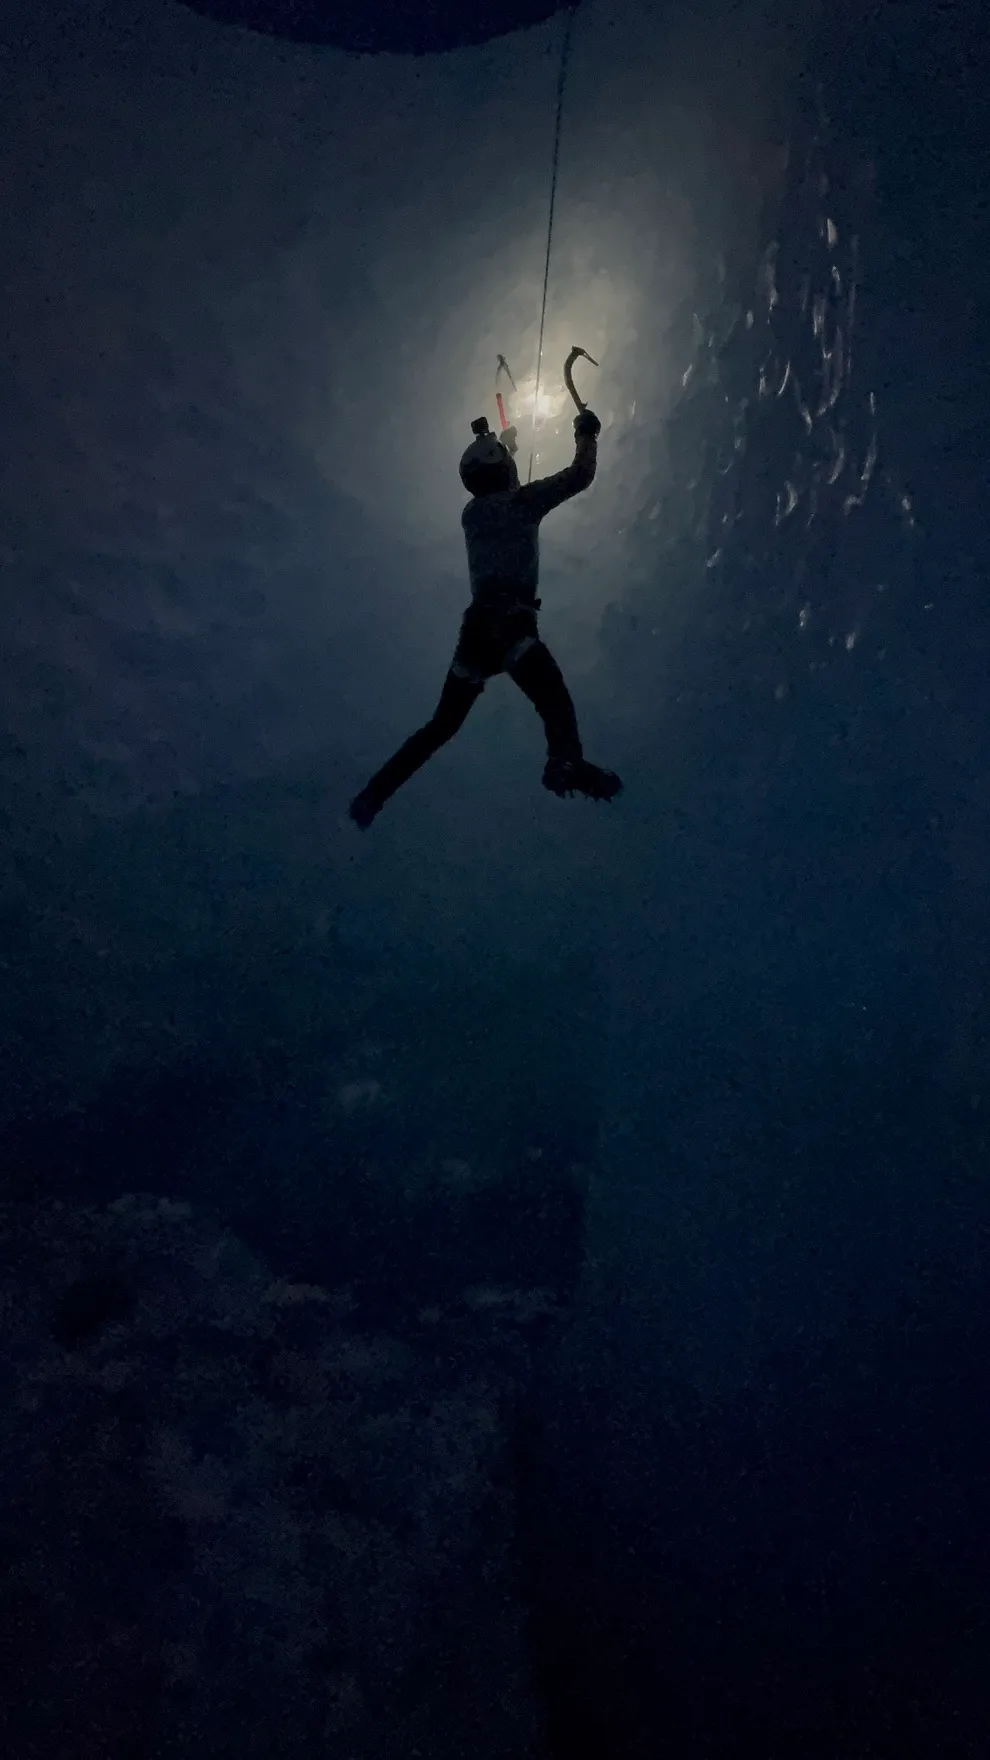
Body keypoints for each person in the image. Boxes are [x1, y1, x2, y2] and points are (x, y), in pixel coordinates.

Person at [348, 407, 622, 829]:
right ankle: (565, 761)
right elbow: (579, 475)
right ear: (503, 472)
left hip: (475, 633)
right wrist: (586, 431)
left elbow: (499, 486)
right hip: (510, 622)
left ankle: (374, 794)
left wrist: (506, 449)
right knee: (552, 698)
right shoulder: (523, 502)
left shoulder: (471, 515)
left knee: (441, 725)